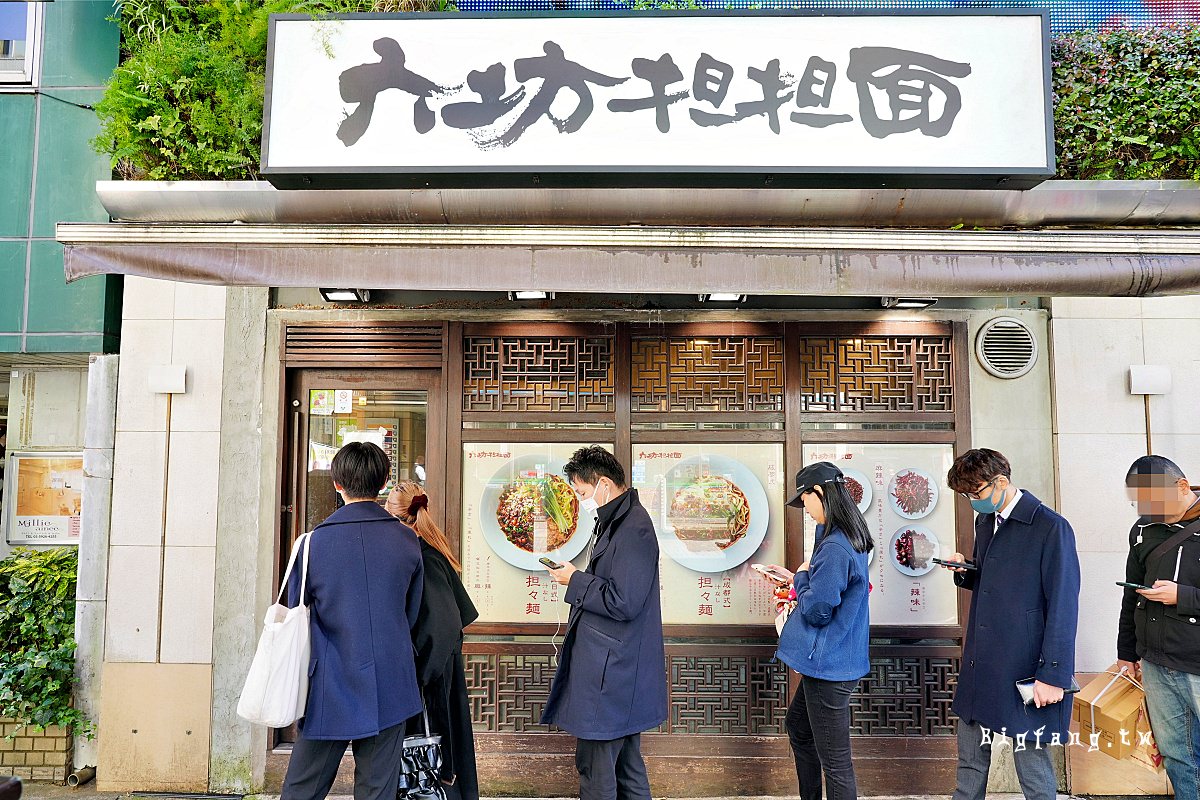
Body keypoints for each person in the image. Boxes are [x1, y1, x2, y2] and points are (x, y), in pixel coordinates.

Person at [282, 441, 425, 800]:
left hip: (329, 681)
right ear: (385, 481)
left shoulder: (312, 544)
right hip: (392, 680)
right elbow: (412, 612)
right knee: (378, 791)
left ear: (336, 483)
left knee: (302, 788)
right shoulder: (408, 541)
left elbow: (290, 610)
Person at [940, 448, 1080, 800]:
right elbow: (993, 579)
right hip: (982, 660)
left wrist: (1054, 676)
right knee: (969, 762)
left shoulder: (1051, 527)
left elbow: (1064, 605)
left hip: (1026, 664)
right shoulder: (986, 522)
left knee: (1031, 766)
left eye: (976, 493)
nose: (972, 501)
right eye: (966, 496)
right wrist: (966, 570)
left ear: (1001, 482)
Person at [541, 446, 667, 800]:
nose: (582, 501)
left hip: (611, 674)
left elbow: (624, 601)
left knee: (597, 771)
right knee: (627, 770)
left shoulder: (634, 528)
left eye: (582, 493)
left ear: (604, 484)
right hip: (613, 671)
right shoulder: (620, 520)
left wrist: (574, 580)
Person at [768, 462, 873, 800]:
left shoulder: (835, 546)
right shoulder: (845, 537)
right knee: (798, 727)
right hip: (834, 659)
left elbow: (817, 611)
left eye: (806, 501)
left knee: (837, 764)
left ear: (821, 493)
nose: (806, 510)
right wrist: (801, 578)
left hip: (830, 665)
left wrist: (799, 576)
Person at [386, 481, 480, 800]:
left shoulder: (423, 557)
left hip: (432, 680)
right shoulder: (427, 551)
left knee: (432, 761)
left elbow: (442, 627)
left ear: (395, 517)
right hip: (437, 674)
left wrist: (418, 676)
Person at [1117, 455, 1200, 800]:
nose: (1146, 508)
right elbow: (1130, 593)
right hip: (1156, 663)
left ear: (1181, 486)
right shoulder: (1142, 530)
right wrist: (1126, 653)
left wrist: (1184, 596)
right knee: (1178, 757)